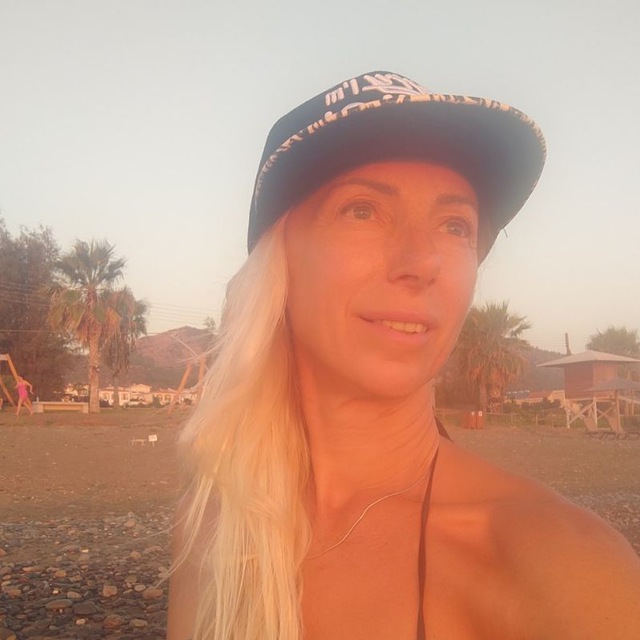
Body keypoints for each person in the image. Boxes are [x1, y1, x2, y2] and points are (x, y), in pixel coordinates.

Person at [167, 71, 640, 640]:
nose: (420, 262)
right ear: (279, 256)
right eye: (362, 210)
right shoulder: (213, 524)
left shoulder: (566, 570)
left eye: (454, 225)